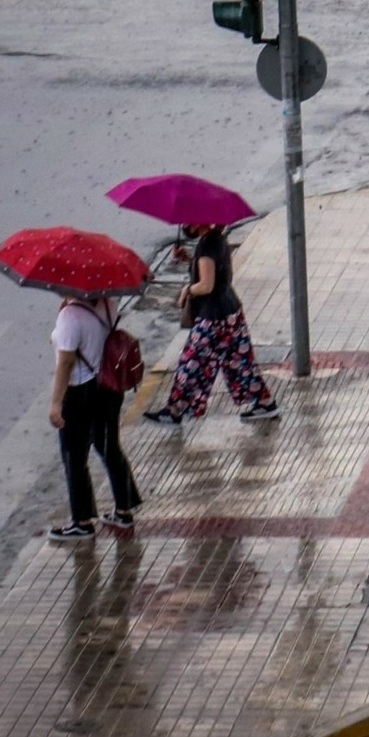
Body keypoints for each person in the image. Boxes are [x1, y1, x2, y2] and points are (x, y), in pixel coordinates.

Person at [144, 224, 280, 425]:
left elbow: (206, 285)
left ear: (201, 221)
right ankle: (266, 402)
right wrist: (189, 261)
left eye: (190, 219)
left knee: (191, 363)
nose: (186, 224)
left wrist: (187, 290)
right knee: (239, 363)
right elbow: (213, 272)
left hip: (213, 318)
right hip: (230, 313)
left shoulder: (207, 245)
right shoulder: (217, 240)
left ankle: (174, 410)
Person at [48, 295, 142, 539]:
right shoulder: (107, 304)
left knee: (74, 454)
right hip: (109, 387)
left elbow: (66, 361)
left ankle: (81, 521)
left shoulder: (70, 315)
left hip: (80, 390)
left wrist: (56, 403)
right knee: (109, 446)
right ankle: (124, 510)